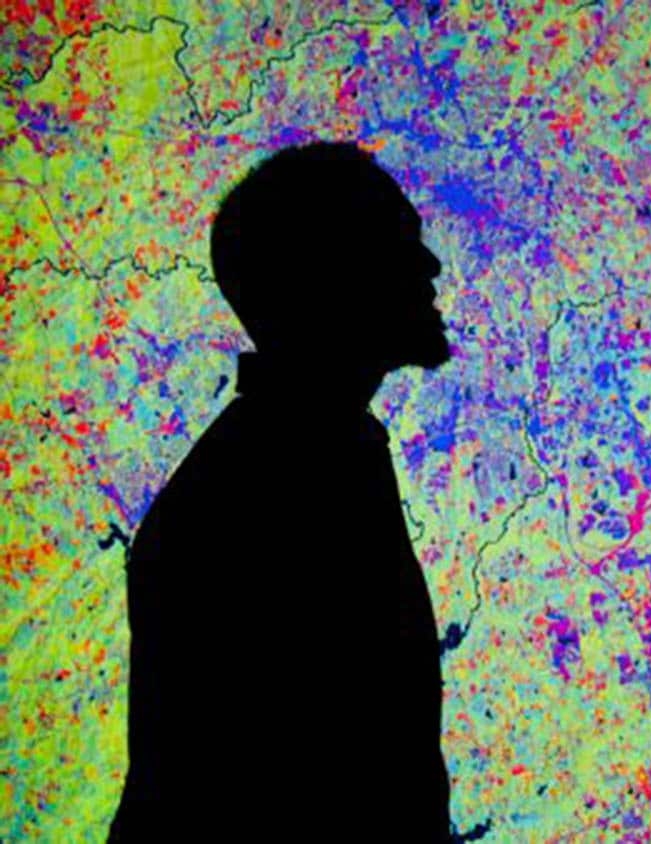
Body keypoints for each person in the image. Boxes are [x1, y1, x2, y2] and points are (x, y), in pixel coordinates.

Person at [111, 142, 453, 841]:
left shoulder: (314, 455)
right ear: (328, 277)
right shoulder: (267, 489)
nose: (430, 267)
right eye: (396, 244)